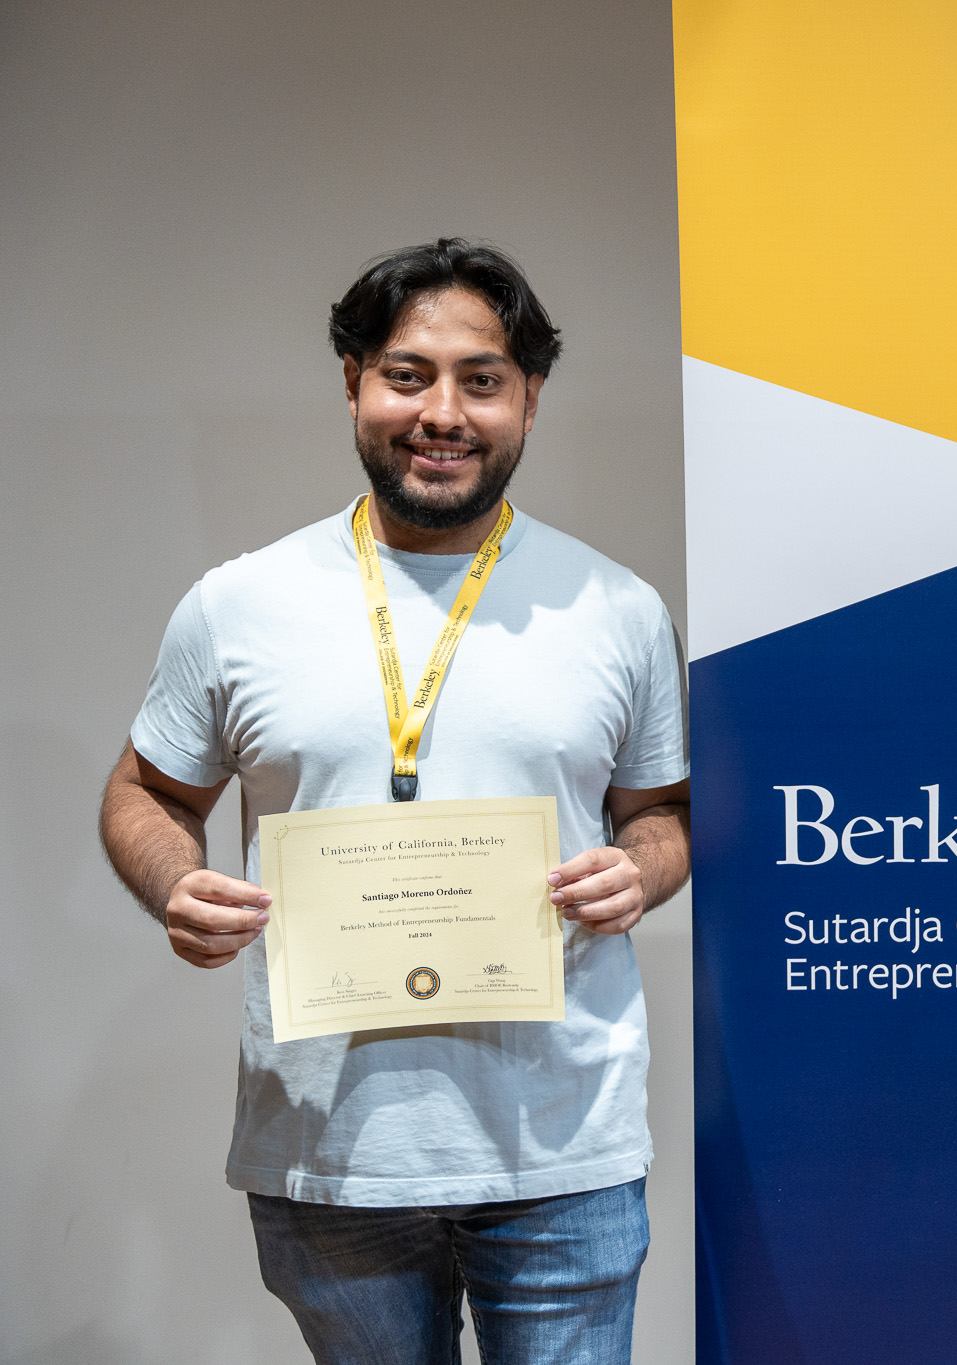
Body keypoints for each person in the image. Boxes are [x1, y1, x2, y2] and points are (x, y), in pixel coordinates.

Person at [98, 238, 690, 1365]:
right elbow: (144, 791)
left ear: (530, 397)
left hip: (562, 1150)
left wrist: (641, 868)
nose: (442, 413)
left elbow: (661, 813)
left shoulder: (617, 608)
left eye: (482, 379)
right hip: (330, 1151)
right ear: (354, 382)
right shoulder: (239, 603)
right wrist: (176, 884)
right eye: (407, 374)